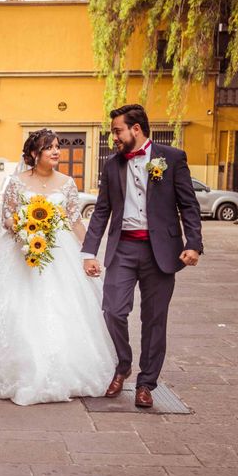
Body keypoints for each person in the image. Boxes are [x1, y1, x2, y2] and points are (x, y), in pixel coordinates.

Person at [0, 129, 117, 406]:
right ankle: (18, 367)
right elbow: (8, 218)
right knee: (14, 307)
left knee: (66, 308)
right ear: (35, 154)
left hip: (60, 253)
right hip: (23, 252)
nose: (57, 152)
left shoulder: (68, 184)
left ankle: (67, 367)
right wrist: (25, 230)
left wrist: (89, 253)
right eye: (50, 148)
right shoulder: (17, 183)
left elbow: (74, 221)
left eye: (58, 147)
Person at [81, 104, 203, 408]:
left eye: (117, 131)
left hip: (160, 251)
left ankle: (146, 383)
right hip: (122, 249)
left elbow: (188, 205)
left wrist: (194, 244)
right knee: (113, 310)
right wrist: (88, 252)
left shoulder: (171, 158)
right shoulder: (112, 165)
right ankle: (123, 366)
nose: (114, 138)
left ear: (136, 129)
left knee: (154, 320)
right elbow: (102, 211)